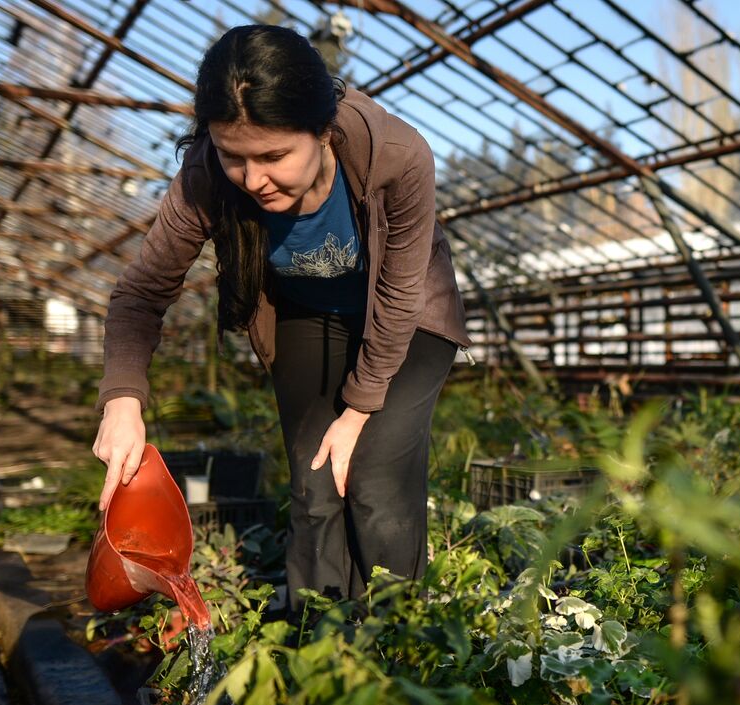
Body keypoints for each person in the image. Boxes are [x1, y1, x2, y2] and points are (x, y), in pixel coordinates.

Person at [91, 24, 472, 619]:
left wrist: (358, 408)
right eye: (233, 156)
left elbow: (398, 294)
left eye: (273, 156)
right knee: (313, 486)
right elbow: (141, 293)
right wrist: (121, 401)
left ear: (322, 131)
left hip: (408, 316)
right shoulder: (204, 178)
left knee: (373, 478)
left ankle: (400, 638)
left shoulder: (395, 155)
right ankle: (319, 635)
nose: (253, 179)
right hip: (307, 312)